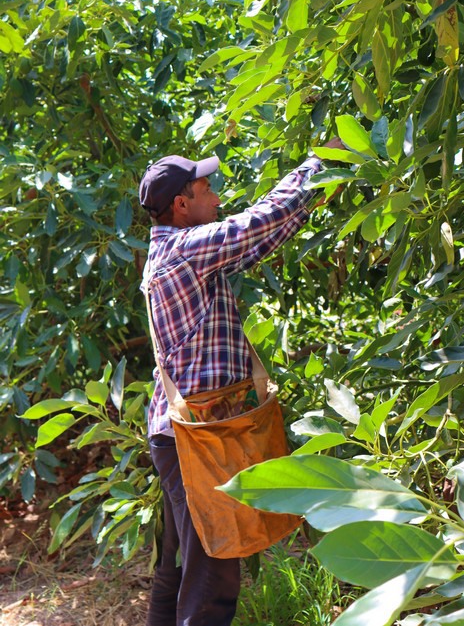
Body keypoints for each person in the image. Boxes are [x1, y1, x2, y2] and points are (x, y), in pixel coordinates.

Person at [139, 140, 343, 626]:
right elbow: (256, 223)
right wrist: (320, 164)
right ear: (181, 204)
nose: (217, 198)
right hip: (195, 438)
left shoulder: (174, 250)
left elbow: (259, 242)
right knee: (213, 572)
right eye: (207, 190)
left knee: (179, 563)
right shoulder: (186, 250)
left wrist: (315, 194)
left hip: (183, 433)